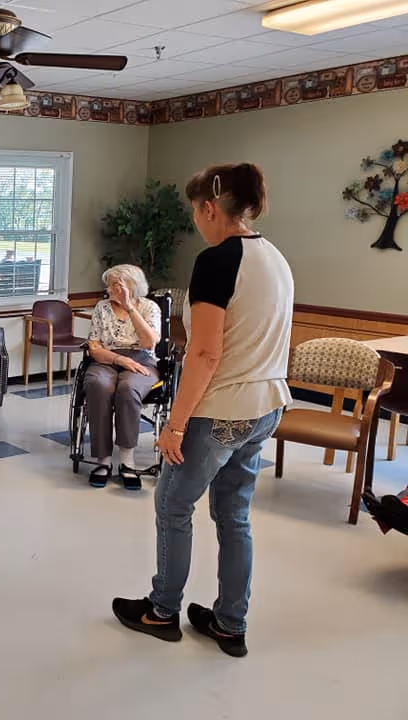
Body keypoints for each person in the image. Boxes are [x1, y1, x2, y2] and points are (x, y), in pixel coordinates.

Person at [112, 163, 293, 658]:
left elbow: (207, 354)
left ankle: (162, 610)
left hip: (223, 410)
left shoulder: (217, 260)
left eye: (196, 210)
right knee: (234, 515)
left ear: (211, 207)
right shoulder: (274, 257)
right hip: (268, 405)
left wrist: (174, 424)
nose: (196, 219)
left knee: (173, 505)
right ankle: (230, 624)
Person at [83, 264, 161, 490]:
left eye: (115, 284)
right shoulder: (101, 307)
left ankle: (127, 461)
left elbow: (149, 343)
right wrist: (119, 360)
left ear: (132, 285)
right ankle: (103, 461)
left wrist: (129, 308)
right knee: (98, 385)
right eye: (109, 284)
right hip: (106, 358)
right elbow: (94, 347)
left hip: (142, 360)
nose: (109, 289)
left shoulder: (149, 307)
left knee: (128, 390)